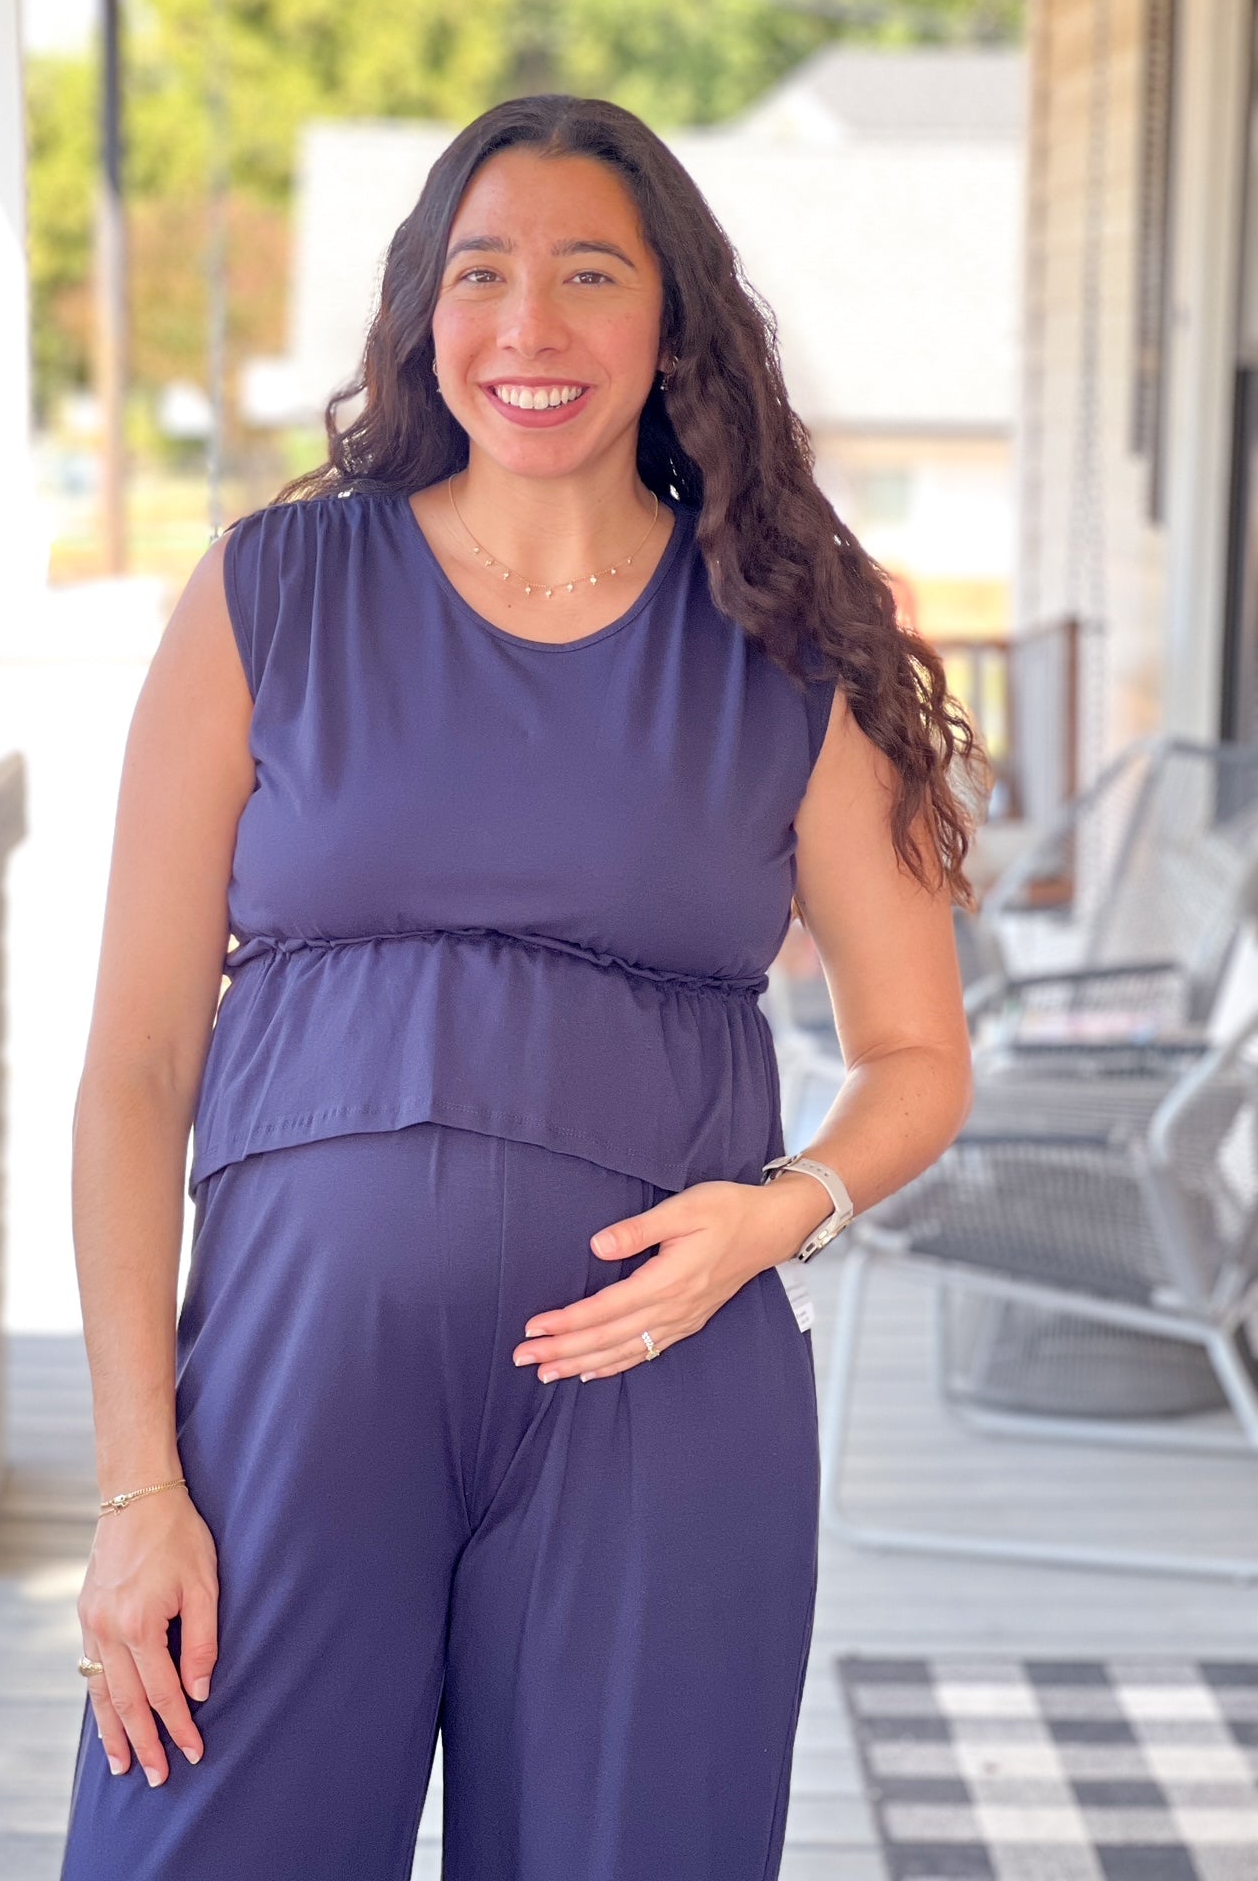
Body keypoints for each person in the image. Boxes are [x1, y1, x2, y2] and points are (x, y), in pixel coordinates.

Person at [57, 92, 982, 1881]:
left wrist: (778, 1218)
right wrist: (134, 1485)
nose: (529, 328)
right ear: (424, 313)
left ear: (670, 325)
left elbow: (917, 1054)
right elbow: (137, 1065)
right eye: (481, 274)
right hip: (286, 1401)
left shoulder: (787, 646)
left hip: (660, 1401)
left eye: (587, 275)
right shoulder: (275, 593)